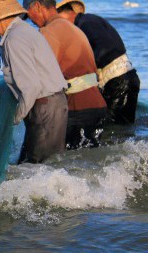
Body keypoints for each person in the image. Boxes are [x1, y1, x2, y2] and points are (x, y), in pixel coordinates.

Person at [0, 0, 68, 163]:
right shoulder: (21, 31)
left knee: (38, 168)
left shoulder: (14, 39)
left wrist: (13, 119)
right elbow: (22, 81)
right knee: (36, 166)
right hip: (50, 105)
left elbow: (31, 87)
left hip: (44, 108)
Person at [24, 0, 108, 149]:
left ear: (37, 6)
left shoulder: (48, 31)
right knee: (88, 164)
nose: (30, 20)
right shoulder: (71, 27)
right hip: (97, 105)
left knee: (64, 164)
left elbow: (38, 75)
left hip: (78, 108)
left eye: (28, 14)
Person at [56, 0, 140, 124]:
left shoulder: (84, 24)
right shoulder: (91, 20)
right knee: (123, 128)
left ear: (68, 13)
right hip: (127, 77)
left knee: (111, 129)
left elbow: (103, 49)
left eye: (59, 19)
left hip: (118, 82)